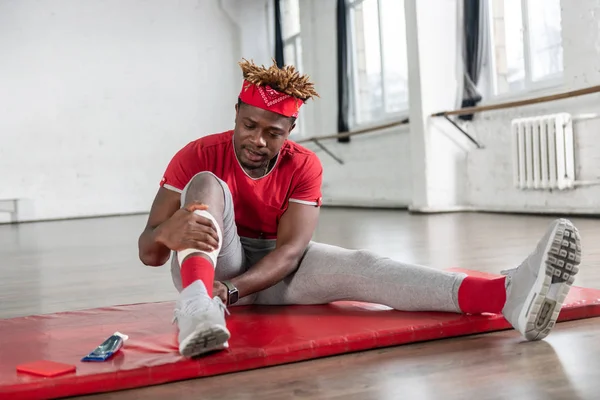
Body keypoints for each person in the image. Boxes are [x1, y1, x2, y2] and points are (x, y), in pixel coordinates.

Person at [137, 59, 582, 358]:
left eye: (273, 132)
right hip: (211, 264)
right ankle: (196, 309)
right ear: (235, 112)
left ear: (291, 127)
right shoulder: (197, 153)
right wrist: (165, 233)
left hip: (268, 269)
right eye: (249, 125)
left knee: (367, 265)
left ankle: (506, 296)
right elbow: (149, 252)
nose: (258, 140)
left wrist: (232, 293)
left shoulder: (304, 165)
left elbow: (290, 255)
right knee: (205, 184)